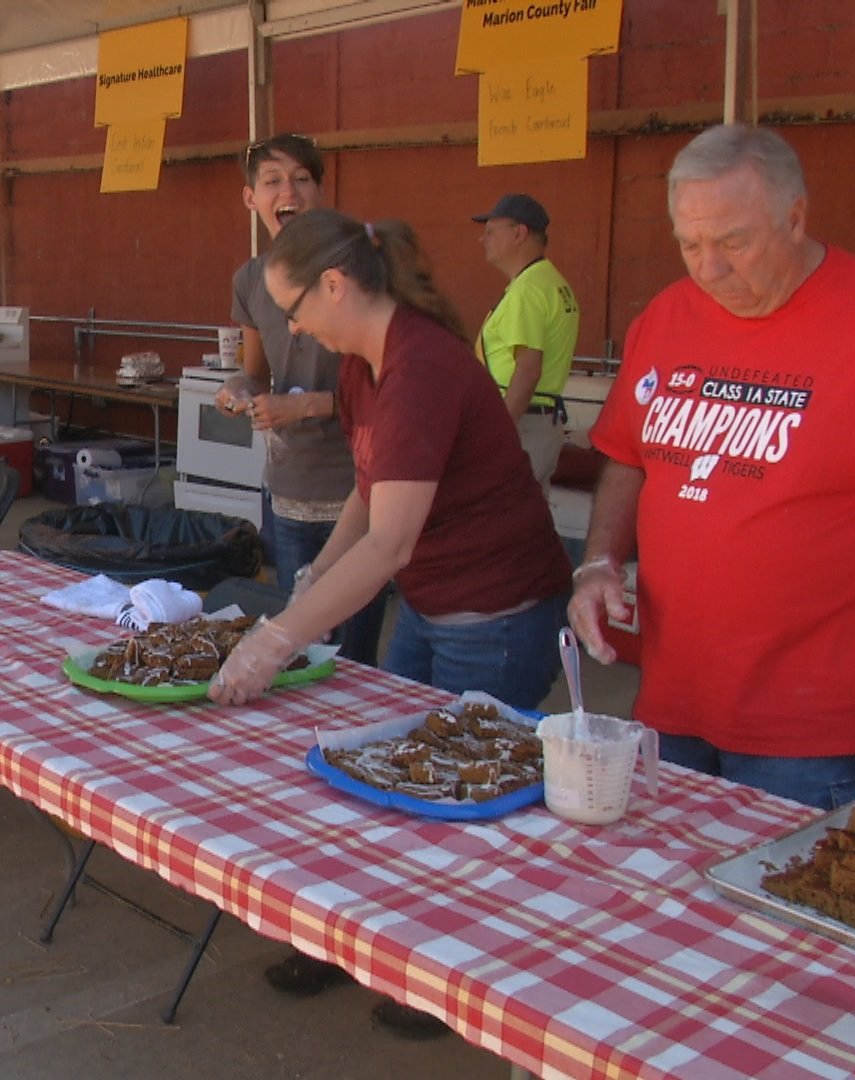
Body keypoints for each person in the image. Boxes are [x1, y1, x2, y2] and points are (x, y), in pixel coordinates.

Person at [210, 208, 572, 1040]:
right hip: (433, 599)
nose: (289, 325)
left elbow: (394, 539)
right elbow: (370, 491)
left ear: (335, 285)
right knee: (384, 776)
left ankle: (450, 979)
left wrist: (278, 637)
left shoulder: (420, 368)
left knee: (460, 793)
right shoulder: (361, 366)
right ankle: (359, 942)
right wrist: (321, 570)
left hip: (498, 609)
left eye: (292, 307)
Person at [568, 124, 855, 810]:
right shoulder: (666, 318)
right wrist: (599, 563)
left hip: (817, 737)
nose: (707, 269)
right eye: (689, 244)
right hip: (670, 706)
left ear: (795, 219)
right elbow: (629, 455)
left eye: (733, 242)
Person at [215, 133, 385, 665]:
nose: (287, 190)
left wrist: (305, 406)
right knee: (298, 649)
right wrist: (238, 391)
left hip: (357, 491)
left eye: (302, 178)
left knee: (352, 659)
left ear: (321, 190)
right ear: (251, 199)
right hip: (288, 490)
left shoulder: (362, 268)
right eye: (272, 181)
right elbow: (254, 373)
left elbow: (391, 391)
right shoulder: (248, 279)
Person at [472, 193, 578, 486]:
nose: (484, 239)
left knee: (503, 518)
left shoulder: (528, 291)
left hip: (523, 423)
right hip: (538, 420)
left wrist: (498, 432)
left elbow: (528, 370)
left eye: (491, 231)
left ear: (519, 233)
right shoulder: (550, 282)